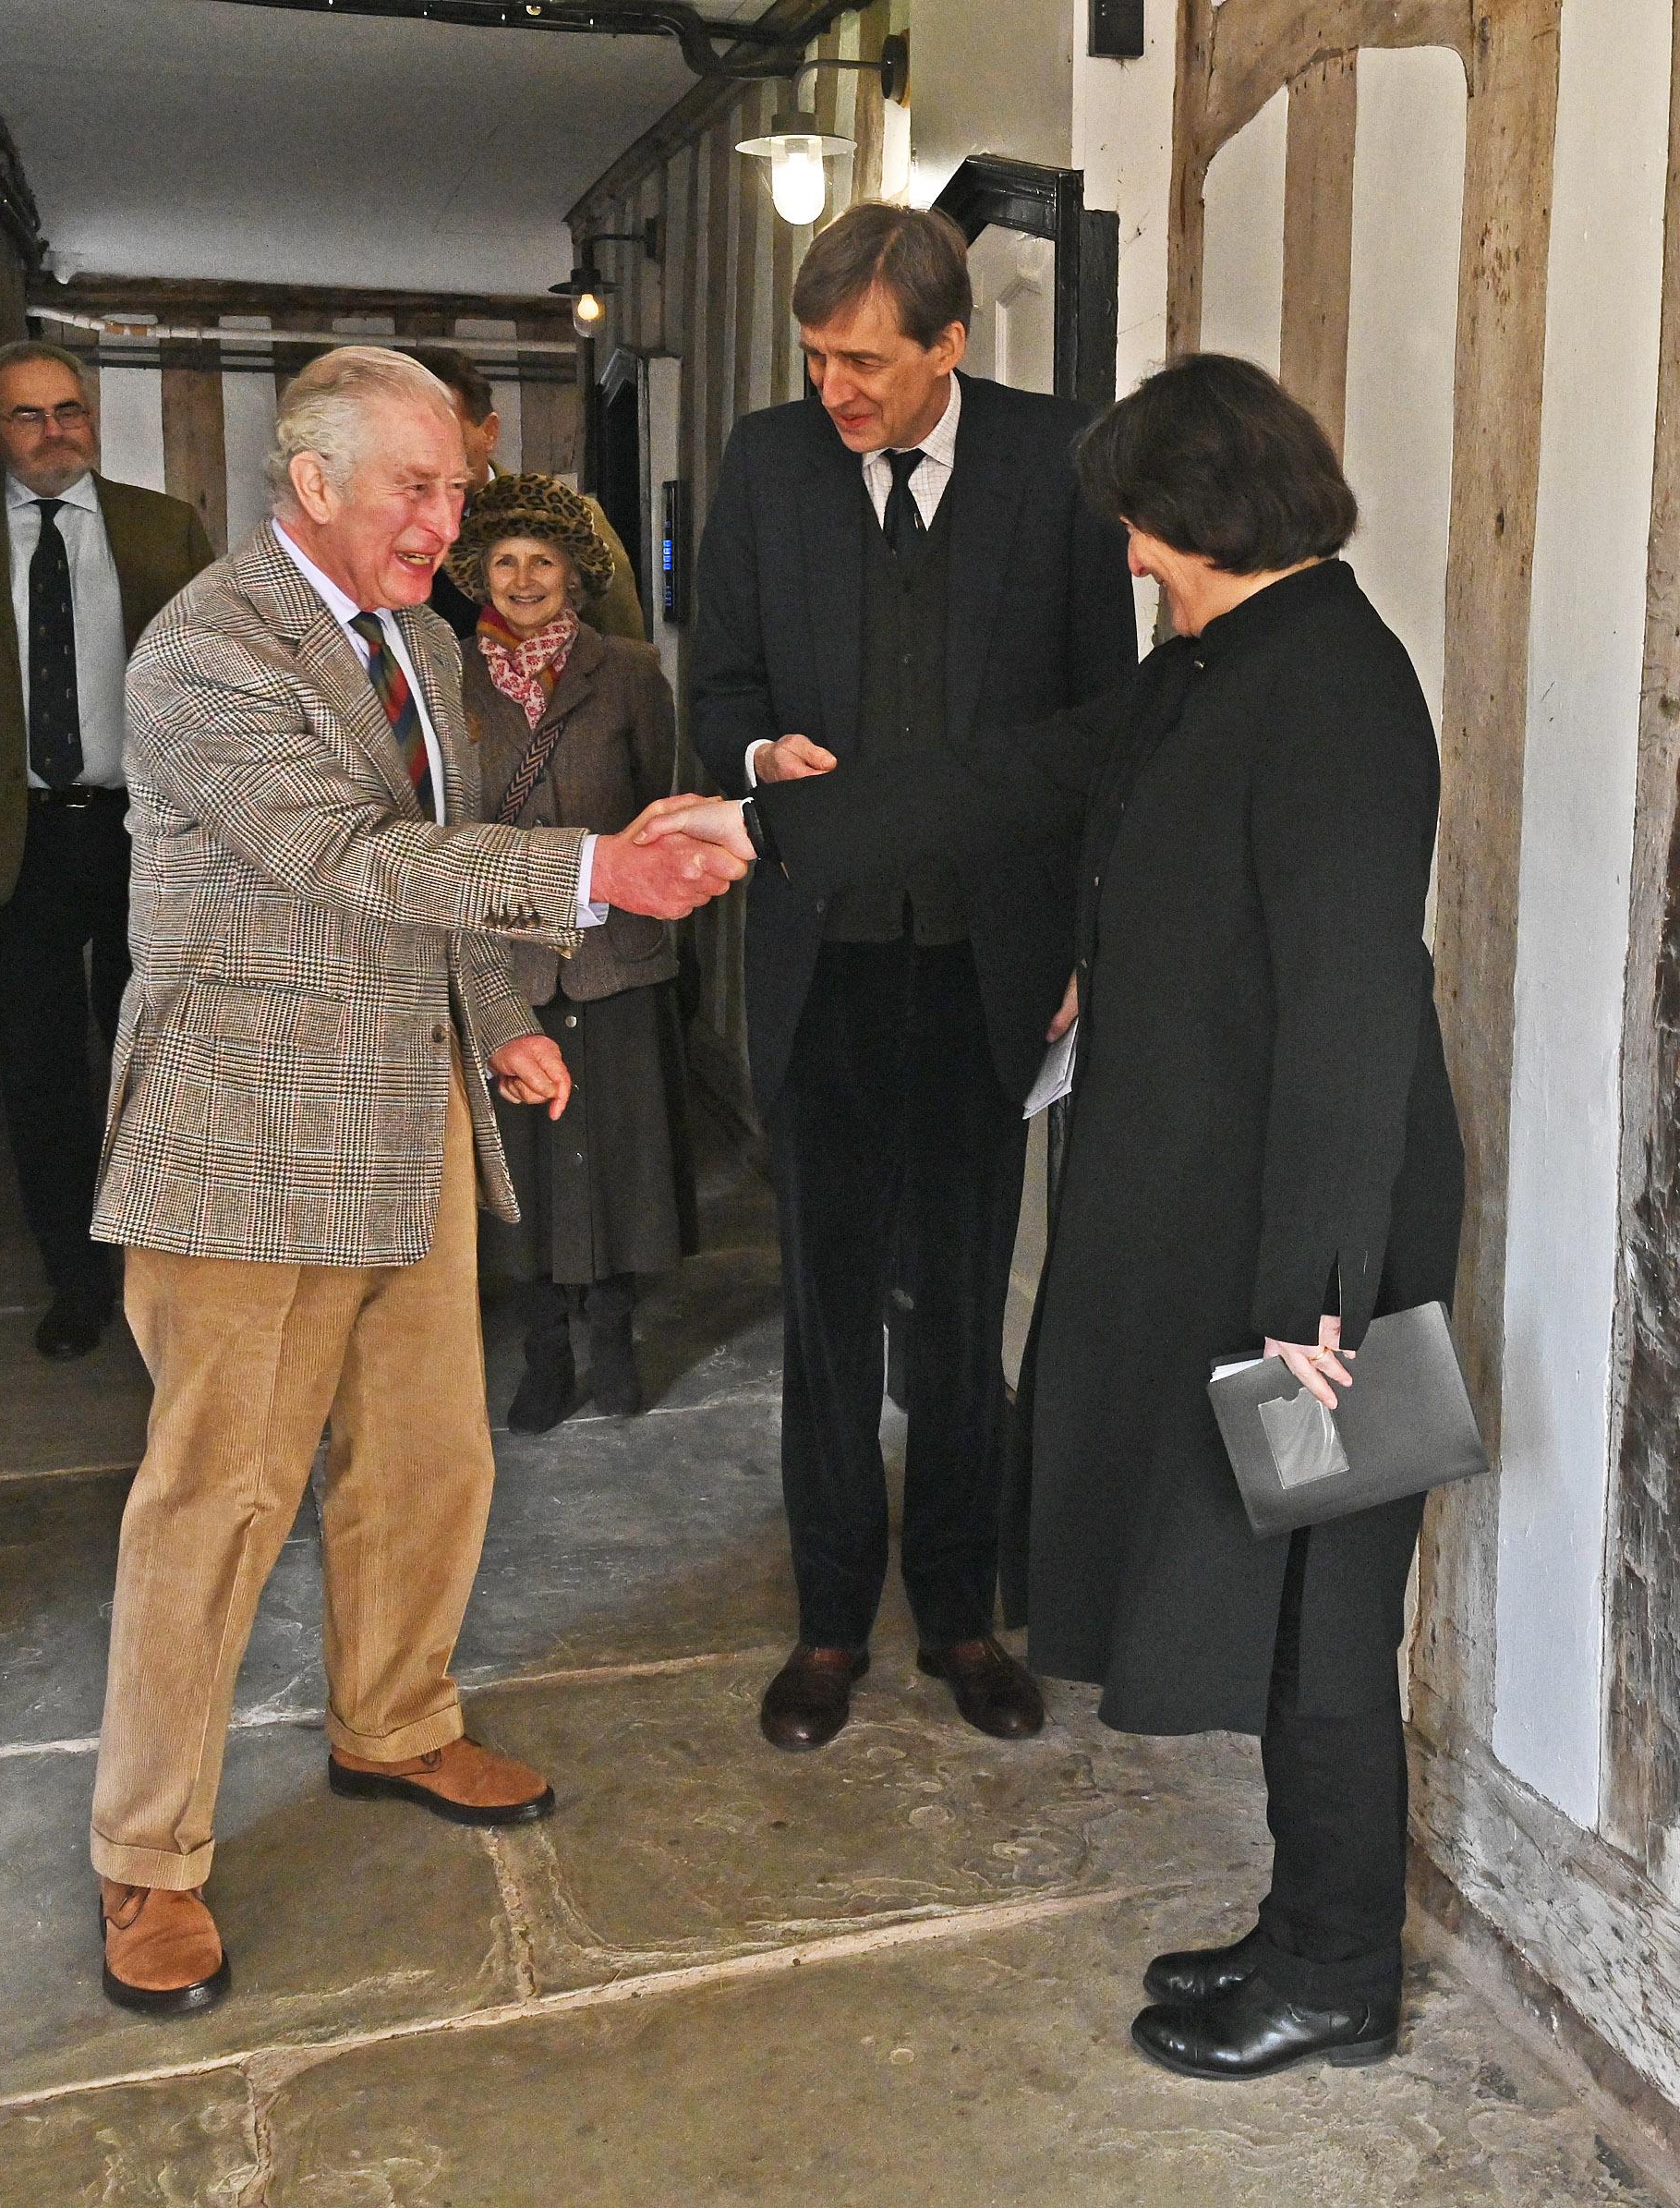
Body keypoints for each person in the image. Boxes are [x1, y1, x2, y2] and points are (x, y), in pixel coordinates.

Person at [647, 352, 1465, 2081]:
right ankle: (1308, 1931)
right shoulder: (1224, 664)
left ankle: (1340, 1972)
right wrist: (759, 824)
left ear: (1200, 512)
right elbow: (1010, 775)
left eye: (1140, 528)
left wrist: (1322, 1300)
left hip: (1330, 1241)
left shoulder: (1335, 686)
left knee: (1330, 1610)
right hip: (1252, 1216)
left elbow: (1352, 1009)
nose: (1129, 559)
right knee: (1285, 1596)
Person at [83, 346, 744, 2018]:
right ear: (312, 483)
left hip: (411, 1107)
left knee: (430, 1457)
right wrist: (597, 868)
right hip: (246, 1135)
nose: (448, 524)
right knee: (217, 1504)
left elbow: (425, 897)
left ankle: (395, 1719)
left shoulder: (427, 641)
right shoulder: (208, 654)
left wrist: (503, 1015)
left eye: (458, 488)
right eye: (418, 489)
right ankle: (147, 1860)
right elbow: (343, 858)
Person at [689, 201, 1135, 1753]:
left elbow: (1106, 729)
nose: (836, 392)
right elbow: (718, 687)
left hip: (986, 967)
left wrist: (1087, 939)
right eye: (816, 359)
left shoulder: (1059, 465)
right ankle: (828, 1622)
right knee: (821, 1303)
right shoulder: (764, 464)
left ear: (953, 343)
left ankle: (957, 1614)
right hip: (820, 955)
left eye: (865, 360)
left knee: (957, 1303)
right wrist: (755, 757)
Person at [0, 340, 213, 1360]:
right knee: (43, 1074)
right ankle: (74, 1279)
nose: (53, 433)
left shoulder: (162, 529)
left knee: (161, 1062)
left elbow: (220, 688)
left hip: (147, 834)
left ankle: (166, 1271)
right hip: (10, 843)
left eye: (68, 411)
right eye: (27, 416)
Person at [448, 470, 696, 1432]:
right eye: (503, 562)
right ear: (477, 573)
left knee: (621, 1157)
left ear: (575, 575)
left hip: (613, 957)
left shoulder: (629, 670)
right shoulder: (446, 674)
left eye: (541, 562)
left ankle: (617, 1338)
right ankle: (546, 1351)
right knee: (526, 1169)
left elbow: (659, 812)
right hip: (506, 964)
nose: (521, 580)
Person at [405, 345, 648, 645]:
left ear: (489, 431)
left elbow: (623, 647)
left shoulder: (570, 518)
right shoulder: (392, 530)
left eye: (444, 435)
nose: (426, 454)